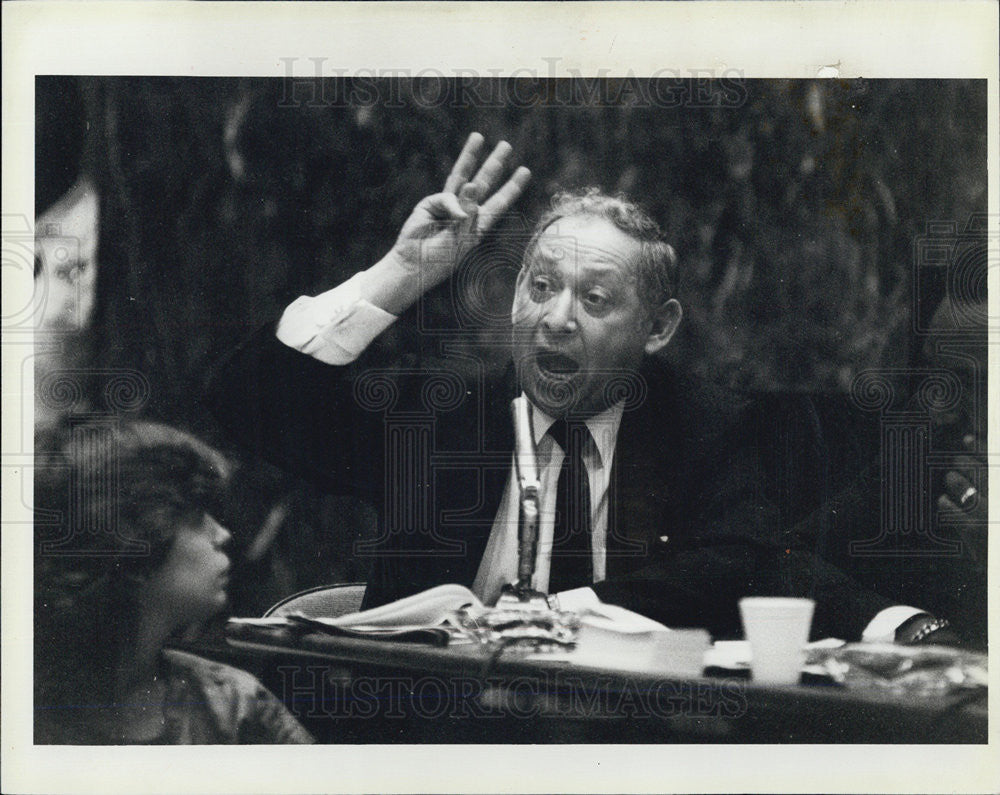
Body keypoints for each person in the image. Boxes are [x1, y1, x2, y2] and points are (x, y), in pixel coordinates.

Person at [208, 132, 938, 642]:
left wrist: (555, 614)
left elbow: (736, 559)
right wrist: (400, 273)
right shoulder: (437, 421)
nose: (556, 318)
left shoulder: (704, 427)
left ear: (658, 328)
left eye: (594, 299)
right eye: (542, 284)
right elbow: (249, 400)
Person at [34, 419, 313, 744]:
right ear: (132, 539)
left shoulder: (236, 704)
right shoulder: (25, 713)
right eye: (196, 517)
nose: (222, 534)